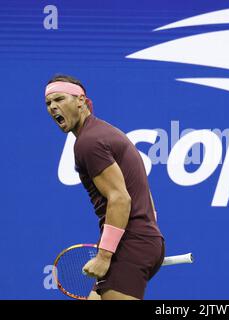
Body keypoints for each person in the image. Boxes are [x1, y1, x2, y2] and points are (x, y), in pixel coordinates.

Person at [45, 74, 165, 300]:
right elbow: (143, 192)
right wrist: (149, 231)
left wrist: (104, 256)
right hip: (138, 241)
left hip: (130, 245)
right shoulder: (102, 132)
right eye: (49, 103)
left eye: (60, 99)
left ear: (80, 100)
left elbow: (120, 198)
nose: (53, 107)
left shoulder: (88, 142)